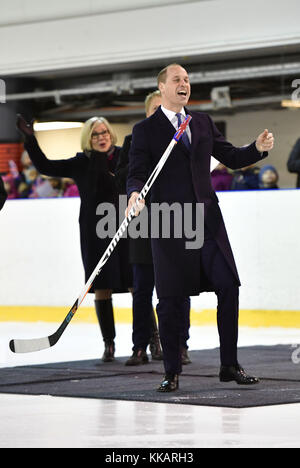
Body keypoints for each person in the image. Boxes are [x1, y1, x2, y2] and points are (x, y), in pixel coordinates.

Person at [126, 63, 274, 392]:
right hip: (170, 222)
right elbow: (136, 171)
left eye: (188, 80)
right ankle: (172, 371)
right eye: (177, 79)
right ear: (162, 88)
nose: (184, 84)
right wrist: (134, 193)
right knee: (171, 299)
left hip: (207, 221)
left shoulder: (202, 122)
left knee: (228, 286)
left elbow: (231, 157)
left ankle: (229, 365)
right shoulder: (145, 131)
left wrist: (257, 149)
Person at [16, 114, 132, 362]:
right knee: (101, 286)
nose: (101, 137)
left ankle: (147, 341)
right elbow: (46, 166)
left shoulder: (125, 156)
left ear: (111, 134)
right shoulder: (81, 163)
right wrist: (30, 140)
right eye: (95, 134)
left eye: (104, 132)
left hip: (126, 228)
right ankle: (109, 344)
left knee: (137, 284)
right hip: (94, 230)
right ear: (87, 138)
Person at [116, 90, 191, 366]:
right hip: (144, 224)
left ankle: (180, 345)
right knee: (142, 288)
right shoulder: (134, 139)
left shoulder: (183, 137)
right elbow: (124, 177)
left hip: (175, 220)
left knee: (179, 287)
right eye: (156, 110)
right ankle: (140, 346)